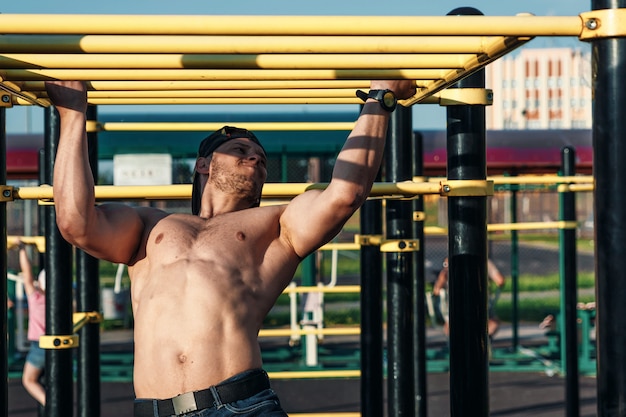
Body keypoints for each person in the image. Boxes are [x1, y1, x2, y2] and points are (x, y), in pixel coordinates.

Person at [45, 79, 415, 416]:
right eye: (240, 149)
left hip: (240, 407)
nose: (254, 157)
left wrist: (379, 99)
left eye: (262, 159)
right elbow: (75, 222)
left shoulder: (275, 226)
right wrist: (72, 113)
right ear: (203, 164)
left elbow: (344, 195)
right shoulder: (150, 225)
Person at [432, 257, 506, 339]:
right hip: (465, 310)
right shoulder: (483, 261)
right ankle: (480, 342)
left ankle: (476, 342)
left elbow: (437, 290)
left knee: (490, 323)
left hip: (467, 310)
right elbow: (500, 281)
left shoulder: (453, 260)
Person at [13, 239, 46, 406]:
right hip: (60, 345)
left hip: (39, 346)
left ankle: (50, 403)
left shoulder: (37, 298)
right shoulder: (63, 301)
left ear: (40, 284)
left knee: (29, 380)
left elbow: (27, 274)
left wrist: (22, 250)